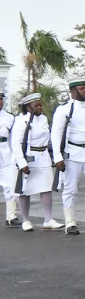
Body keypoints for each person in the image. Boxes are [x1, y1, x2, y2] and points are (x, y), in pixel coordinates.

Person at [51, 79, 85, 235]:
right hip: (72, 151)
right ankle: (70, 222)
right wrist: (57, 157)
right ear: (73, 91)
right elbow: (56, 134)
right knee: (70, 188)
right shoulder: (64, 110)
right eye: (82, 89)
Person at [10, 94, 62, 232]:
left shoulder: (44, 119)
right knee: (25, 190)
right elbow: (16, 143)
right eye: (36, 105)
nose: (40, 107)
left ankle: (48, 219)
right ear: (28, 107)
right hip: (28, 156)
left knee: (46, 188)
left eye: (40, 105)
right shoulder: (21, 121)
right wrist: (21, 162)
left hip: (43, 155)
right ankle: (26, 220)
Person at [1, 89, 23, 227]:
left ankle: (11, 216)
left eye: (1, 98)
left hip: (4, 150)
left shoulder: (9, 117)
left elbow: (13, 138)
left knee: (10, 183)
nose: (0, 101)